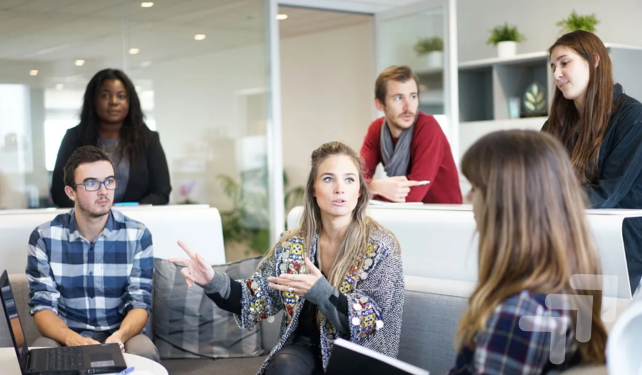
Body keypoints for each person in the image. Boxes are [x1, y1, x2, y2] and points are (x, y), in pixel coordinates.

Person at [170, 141, 404, 375]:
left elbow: (371, 321)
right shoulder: (293, 244)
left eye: (349, 179)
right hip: (303, 351)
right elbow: (255, 299)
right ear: (313, 188)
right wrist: (212, 280)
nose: (340, 188)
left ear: (360, 190)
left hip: (356, 356)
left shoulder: (381, 246)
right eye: (328, 179)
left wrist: (322, 292)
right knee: (283, 367)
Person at [450, 130, 607, 374]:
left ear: (503, 202)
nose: (468, 197)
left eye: (475, 188)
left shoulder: (519, 314)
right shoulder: (577, 287)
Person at [27, 146, 159, 362]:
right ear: (71, 192)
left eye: (109, 181)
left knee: (144, 352)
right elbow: (42, 307)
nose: (103, 191)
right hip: (66, 336)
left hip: (121, 334)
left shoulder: (137, 235)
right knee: (39, 354)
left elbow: (140, 302)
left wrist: (119, 337)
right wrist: (73, 340)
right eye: (91, 183)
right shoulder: (44, 237)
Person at [543, 30, 642, 292]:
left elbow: (607, 194)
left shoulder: (633, 118)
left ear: (595, 61)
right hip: (567, 243)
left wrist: (543, 199)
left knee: (589, 330)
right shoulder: (555, 125)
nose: (556, 74)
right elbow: (535, 178)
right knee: (564, 328)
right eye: (554, 66)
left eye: (565, 63)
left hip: (618, 249)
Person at [51, 68, 171, 208]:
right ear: (93, 100)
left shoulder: (148, 140)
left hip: (136, 223)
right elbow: (60, 193)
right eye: (105, 96)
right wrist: (97, 210)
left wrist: (127, 212)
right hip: (86, 224)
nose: (114, 102)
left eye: (121, 96)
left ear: (130, 102)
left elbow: (161, 192)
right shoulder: (74, 138)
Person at [360, 65, 462, 204]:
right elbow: (354, 180)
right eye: (398, 98)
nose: (408, 106)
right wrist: (375, 186)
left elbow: (413, 195)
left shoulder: (428, 127)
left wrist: (368, 189)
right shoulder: (376, 130)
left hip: (443, 217)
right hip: (406, 215)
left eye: (413, 96)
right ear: (380, 105)